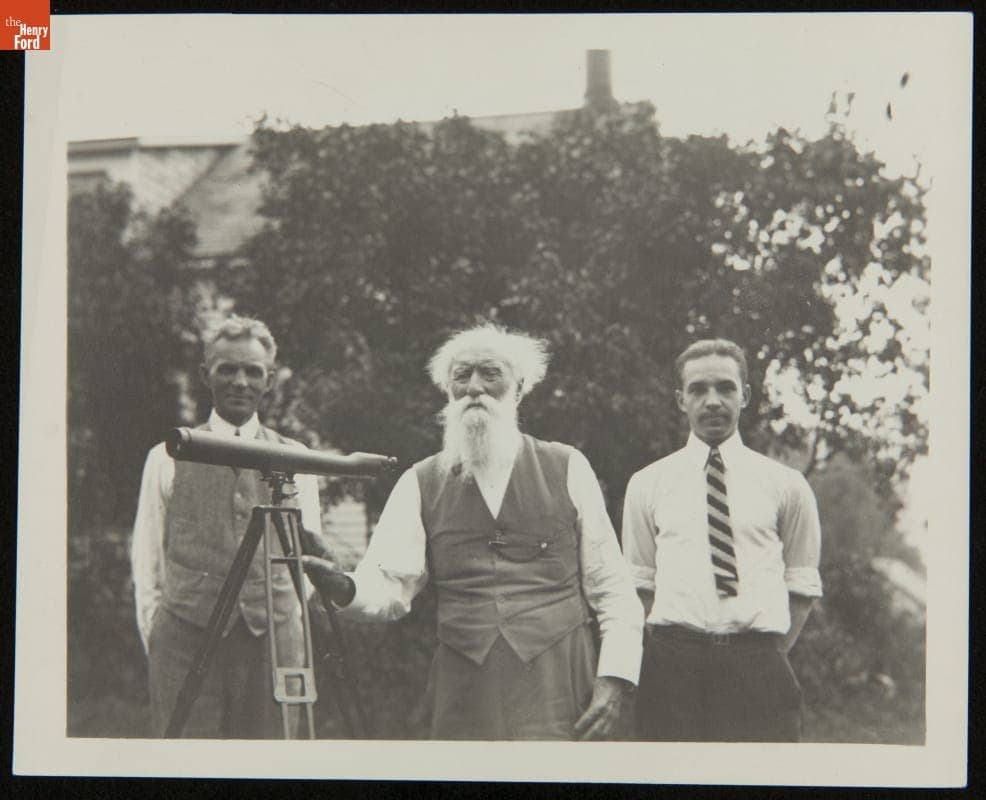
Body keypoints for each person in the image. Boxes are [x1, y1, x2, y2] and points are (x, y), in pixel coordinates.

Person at [303, 324, 643, 740]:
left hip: (557, 681)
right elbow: (389, 584)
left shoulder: (568, 466)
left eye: (490, 374)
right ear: (448, 392)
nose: (474, 388)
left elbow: (613, 589)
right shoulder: (421, 481)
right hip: (465, 686)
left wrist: (613, 679)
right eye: (461, 377)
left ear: (518, 389)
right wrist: (344, 587)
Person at [131, 315, 323, 738]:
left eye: (253, 371)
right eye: (227, 369)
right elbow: (148, 562)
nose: (240, 381)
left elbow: (305, 559)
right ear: (206, 375)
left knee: (268, 765)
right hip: (185, 640)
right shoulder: (166, 457)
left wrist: (283, 622)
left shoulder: (297, 459)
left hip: (270, 643)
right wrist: (163, 638)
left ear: (269, 380)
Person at [622, 338, 822, 742]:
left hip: (757, 669)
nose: (712, 401)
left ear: (745, 395)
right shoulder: (648, 484)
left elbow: (802, 584)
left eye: (725, 388)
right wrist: (672, 650)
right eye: (698, 389)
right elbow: (639, 583)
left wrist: (767, 653)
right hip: (673, 670)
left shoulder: (786, 485)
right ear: (681, 399)